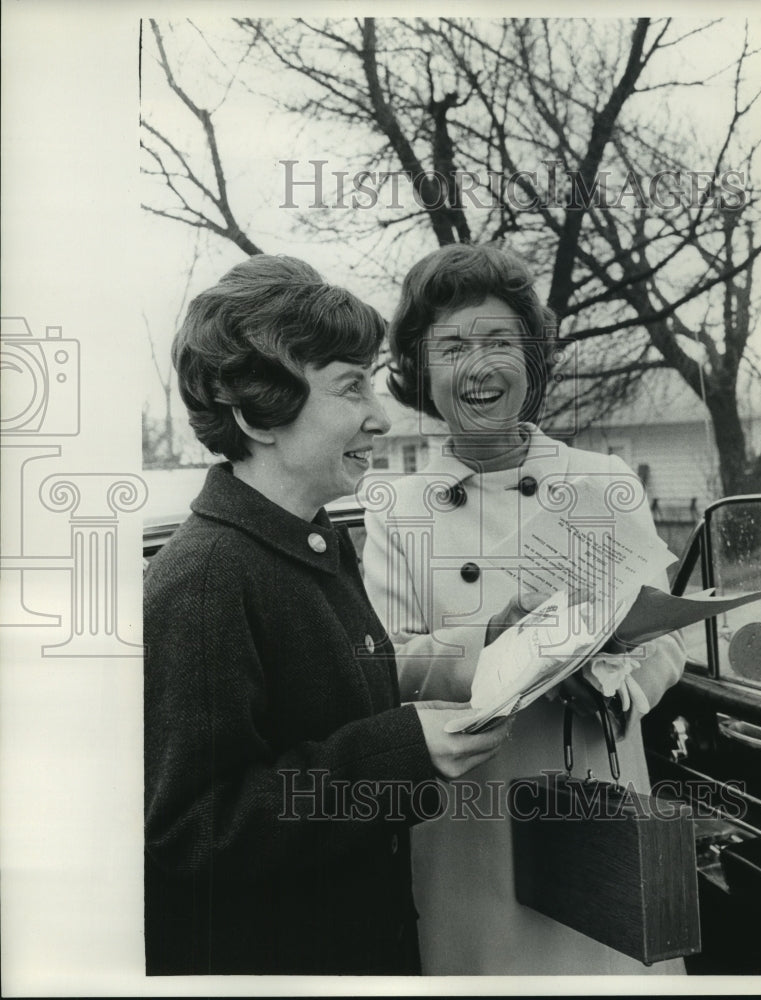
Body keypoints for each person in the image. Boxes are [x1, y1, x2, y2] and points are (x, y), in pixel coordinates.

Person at [143, 254, 508, 976]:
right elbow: (195, 832)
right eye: (350, 387)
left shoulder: (311, 545)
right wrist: (401, 755)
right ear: (257, 412)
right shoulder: (206, 580)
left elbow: (335, 704)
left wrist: (494, 649)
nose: (380, 416)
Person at [360, 243, 687, 975]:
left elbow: (665, 639)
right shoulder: (396, 508)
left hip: (598, 800)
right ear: (420, 371)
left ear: (532, 360)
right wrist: (496, 643)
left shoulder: (604, 480)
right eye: (451, 347)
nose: (478, 366)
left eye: (500, 342)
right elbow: (385, 662)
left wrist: (617, 680)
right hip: (472, 823)